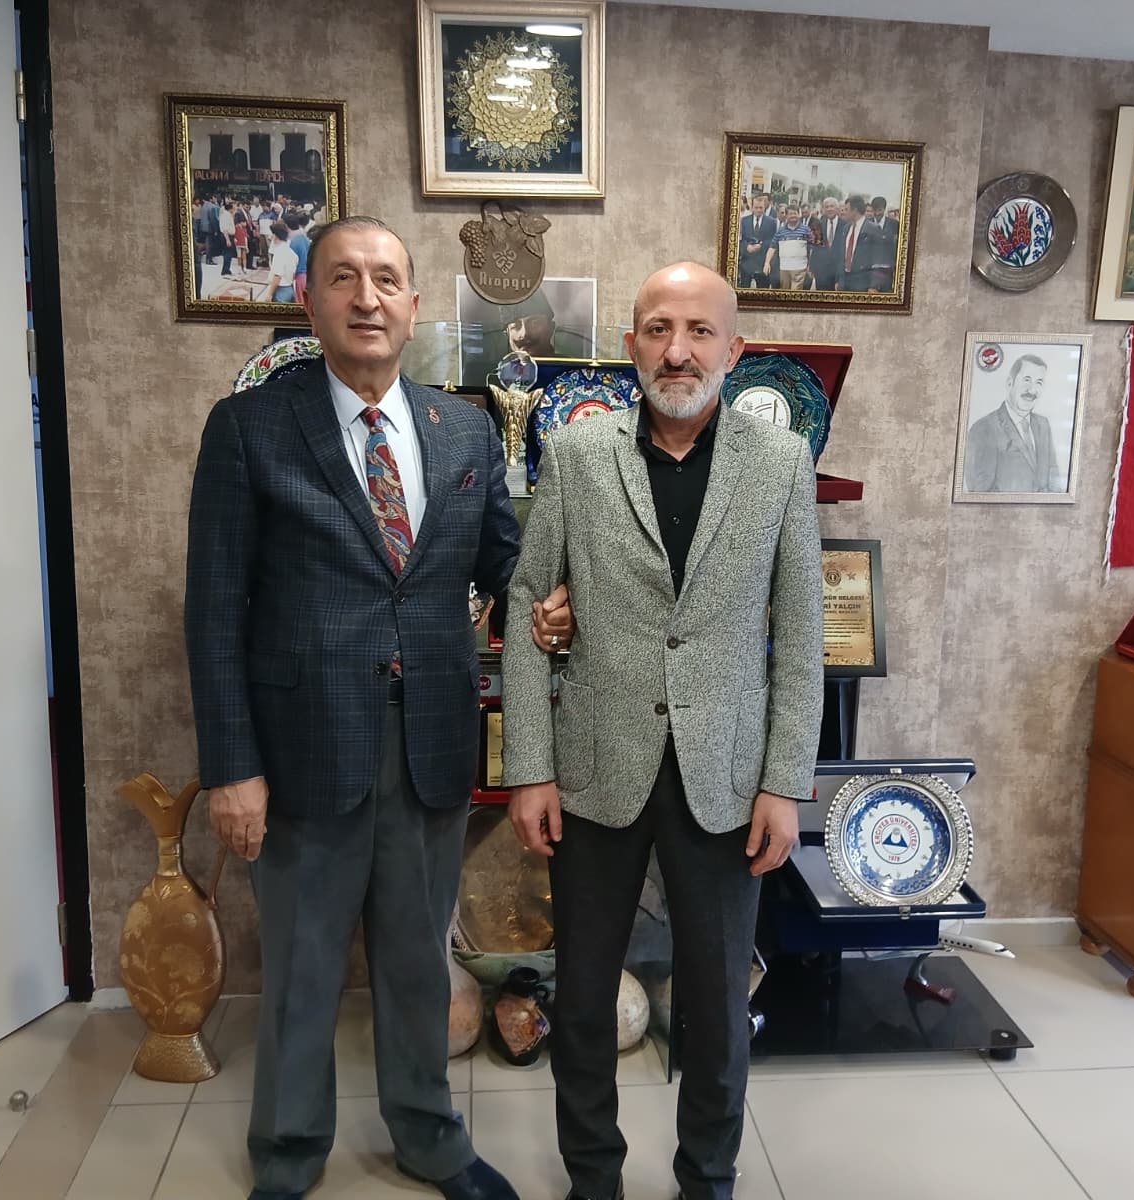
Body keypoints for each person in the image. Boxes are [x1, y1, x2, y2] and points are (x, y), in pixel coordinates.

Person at [186, 214, 573, 1200]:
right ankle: (287, 1152)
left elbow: (502, 565)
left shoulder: (464, 429)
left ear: (412, 305)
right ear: (308, 300)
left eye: (387, 280)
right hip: (301, 752)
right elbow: (215, 610)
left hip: (430, 744)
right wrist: (232, 768)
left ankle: (430, 1138)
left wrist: (549, 602)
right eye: (344, 278)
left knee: (415, 965)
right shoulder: (251, 428)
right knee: (302, 972)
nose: (367, 298)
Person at [501, 261, 824, 1200]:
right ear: (631, 344)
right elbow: (527, 601)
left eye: (698, 331)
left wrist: (784, 783)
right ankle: (592, 1180)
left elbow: (802, 633)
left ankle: (708, 1179)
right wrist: (529, 768)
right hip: (596, 766)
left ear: (734, 348)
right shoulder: (576, 454)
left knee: (718, 1005)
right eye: (657, 330)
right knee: (583, 995)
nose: (677, 351)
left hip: (726, 776)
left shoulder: (780, 463)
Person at [962, 353, 1062, 492]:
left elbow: (1055, 480)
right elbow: (979, 494)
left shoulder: (1043, 425)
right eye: (1026, 380)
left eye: (1039, 382)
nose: (1032, 390)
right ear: (1010, 383)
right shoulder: (983, 429)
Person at [765, 201, 814, 290]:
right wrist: (767, 262)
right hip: (784, 268)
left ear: (799, 214)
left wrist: (810, 265)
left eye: (795, 213)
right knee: (785, 292)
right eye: (790, 214)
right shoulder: (780, 231)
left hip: (800, 269)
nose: (793, 216)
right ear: (786, 216)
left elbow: (812, 249)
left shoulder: (806, 230)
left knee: (795, 292)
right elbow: (772, 247)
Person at [835, 194, 879, 291]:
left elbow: (878, 259)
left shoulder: (873, 229)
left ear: (854, 210)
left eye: (846, 209)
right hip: (844, 282)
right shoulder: (846, 228)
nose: (844, 212)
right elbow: (842, 255)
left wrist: (874, 285)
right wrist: (838, 280)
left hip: (862, 284)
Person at [736, 194, 777, 290]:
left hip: (762, 262)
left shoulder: (771, 222)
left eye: (761, 208)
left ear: (764, 207)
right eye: (756, 207)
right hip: (747, 262)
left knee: (762, 290)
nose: (758, 210)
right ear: (752, 207)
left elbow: (773, 241)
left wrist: (761, 246)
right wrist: (747, 247)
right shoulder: (744, 221)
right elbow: (741, 239)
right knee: (744, 289)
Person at [260, 221, 299, 303]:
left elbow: (277, 276)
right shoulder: (292, 253)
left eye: (272, 234)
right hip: (290, 288)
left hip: (281, 290)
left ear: (276, 236)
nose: (270, 237)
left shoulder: (279, 253)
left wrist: (269, 294)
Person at [809, 197, 842, 289]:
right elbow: (816, 247)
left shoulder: (845, 225)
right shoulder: (818, 225)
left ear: (837, 208)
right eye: (827, 207)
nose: (829, 209)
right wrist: (812, 267)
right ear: (823, 209)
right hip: (821, 271)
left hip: (838, 271)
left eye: (832, 206)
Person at [286, 214, 312, 304]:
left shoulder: (292, 242)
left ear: (287, 226)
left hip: (299, 276)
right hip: (308, 274)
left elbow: (291, 264)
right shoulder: (305, 237)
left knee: (301, 304)